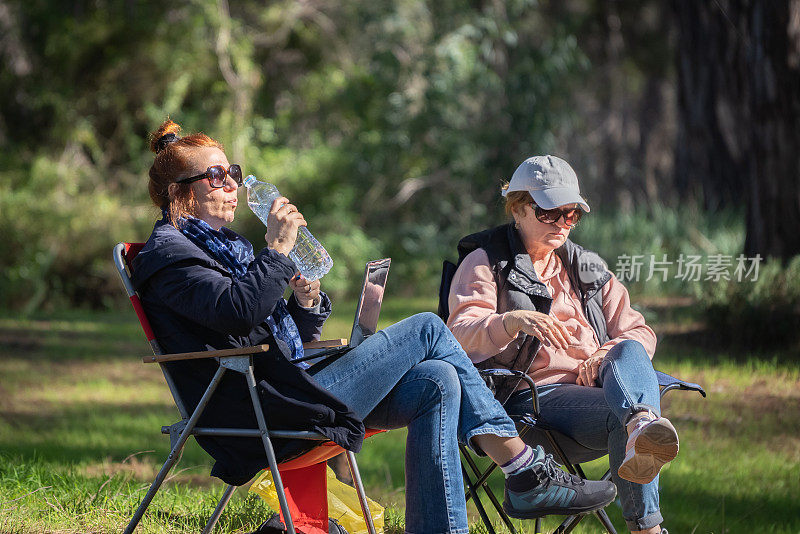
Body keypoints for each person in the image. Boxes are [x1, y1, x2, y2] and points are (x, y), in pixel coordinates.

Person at [131, 122, 616, 534]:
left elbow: (270, 332)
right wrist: (276, 253)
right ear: (181, 194)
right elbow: (236, 313)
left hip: (285, 389)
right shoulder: (169, 255)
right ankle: (524, 469)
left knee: (438, 380)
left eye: (232, 172)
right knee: (428, 327)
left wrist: (304, 299)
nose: (232, 183)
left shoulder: (224, 250)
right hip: (260, 415)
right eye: (216, 176)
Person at [447, 155, 679, 534]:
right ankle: (648, 528)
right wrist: (510, 321)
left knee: (630, 356)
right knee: (627, 413)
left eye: (572, 215)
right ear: (519, 208)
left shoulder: (585, 267)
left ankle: (641, 423)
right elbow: (458, 334)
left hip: (601, 389)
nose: (562, 224)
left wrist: (604, 353)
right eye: (550, 213)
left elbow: (640, 331)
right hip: (531, 402)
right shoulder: (486, 262)